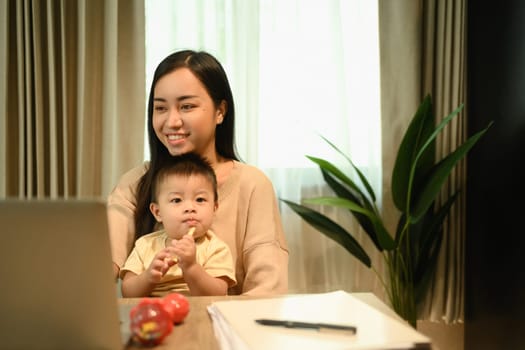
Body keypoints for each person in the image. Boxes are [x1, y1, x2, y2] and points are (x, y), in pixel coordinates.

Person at [107, 50, 288, 296]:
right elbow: (102, 261)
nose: (171, 121)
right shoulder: (135, 182)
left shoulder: (251, 184)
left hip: (226, 327)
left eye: (187, 106)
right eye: (160, 108)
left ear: (220, 111)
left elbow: (268, 289)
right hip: (150, 328)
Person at [120, 153, 236, 297]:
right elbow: (127, 292)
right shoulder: (145, 245)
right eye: (176, 200)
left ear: (214, 208)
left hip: (197, 313)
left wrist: (191, 267)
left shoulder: (215, 248)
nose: (190, 207)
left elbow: (218, 293)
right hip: (153, 313)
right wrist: (148, 277)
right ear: (157, 212)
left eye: (200, 199)